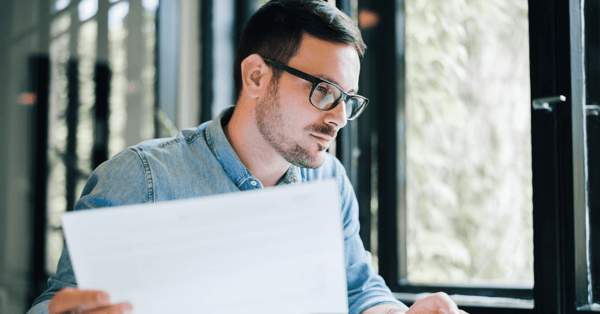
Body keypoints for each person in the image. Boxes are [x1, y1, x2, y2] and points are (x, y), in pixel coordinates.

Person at [28, 1, 467, 313]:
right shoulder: (142, 179)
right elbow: (58, 304)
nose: (339, 117)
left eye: (348, 100)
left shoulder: (329, 179)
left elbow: (358, 291)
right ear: (256, 75)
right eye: (324, 91)